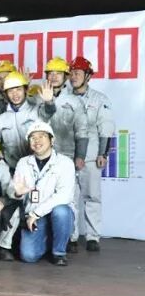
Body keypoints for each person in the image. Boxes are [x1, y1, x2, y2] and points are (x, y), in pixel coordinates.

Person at [67, 56, 114, 252]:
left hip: (91, 156)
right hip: (68, 156)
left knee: (92, 197)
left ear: (88, 76)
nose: (73, 76)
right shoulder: (64, 98)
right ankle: (71, 236)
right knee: (69, 198)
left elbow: (106, 126)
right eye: (71, 73)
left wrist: (103, 153)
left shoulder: (99, 99)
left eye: (78, 73)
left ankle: (93, 237)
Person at [13, 122, 75, 266]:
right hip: (33, 217)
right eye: (33, 138)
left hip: (51, 214)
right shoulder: (23, 162)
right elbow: (15, 190)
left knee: (61, 211)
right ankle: (49, 239)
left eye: (42, 136)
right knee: (28, 256)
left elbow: (64, 196)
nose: (37, 141)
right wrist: (17, 194)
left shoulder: (65, 163)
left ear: (52, 140)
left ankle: (59, 252)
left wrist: (36, 214)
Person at [0, 71, 53, 171]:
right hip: (12, 170)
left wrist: (49, 102)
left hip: (39, 167)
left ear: (25, 90)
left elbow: (49, 112)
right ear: (6, 94)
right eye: (10, 91)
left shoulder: (37, 111)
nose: (15, 94)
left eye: (18, 89)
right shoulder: (0, 120)